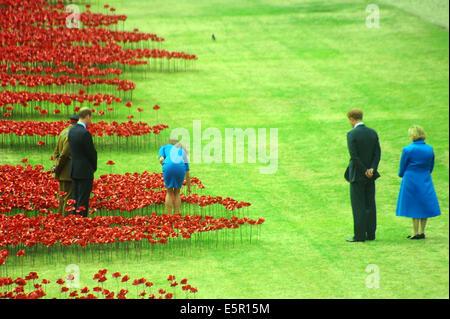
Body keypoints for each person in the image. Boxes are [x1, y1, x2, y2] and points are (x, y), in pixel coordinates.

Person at [396, 125, 441, 239]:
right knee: (424, 203)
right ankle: (422, 231)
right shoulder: (429, 148)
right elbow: (431, 165)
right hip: (424, 177)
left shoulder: (408, 149)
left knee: (414, 204)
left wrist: (401, 174)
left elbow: (403, 165)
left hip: (411, 178)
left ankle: (415, 232)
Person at [345, 109, 381, 242]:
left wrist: (364, 169)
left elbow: (354, 156)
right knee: (370, 204)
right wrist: (372, 169)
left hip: (358, 175)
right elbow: (377, 153)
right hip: (371, 175)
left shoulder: (352, 134)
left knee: (358, 205)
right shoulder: (372, 133)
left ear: (352, 119)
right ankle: (371, 234)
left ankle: (359, 235)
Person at [68, 108, 97, 217]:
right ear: (87, 116)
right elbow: (91, 153)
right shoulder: (85, 133)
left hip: (74, 169)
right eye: (91, 117)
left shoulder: (72, 130)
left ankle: (74, 219)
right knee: (83, 199)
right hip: (85, 170)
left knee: (75, 198)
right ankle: (81, 222)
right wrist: (93, 167)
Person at [52, 114, 78, 216]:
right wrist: (58, 167)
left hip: (62, 170)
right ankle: (66, 222)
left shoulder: (63, 132)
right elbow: (64, 154)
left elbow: (56, 153)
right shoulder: (72, 135)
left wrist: (55, 165)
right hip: (68, 171)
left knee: (62, 197)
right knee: (68, 198)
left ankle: (60, 220)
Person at [158, 139, 191, 214]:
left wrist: (165, 164)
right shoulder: (182, 151)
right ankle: (176, 215)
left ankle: (169, 216)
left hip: (168, 166)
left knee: (169, 192)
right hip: (180, 167)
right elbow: (187, 171)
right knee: (177, 192)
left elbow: (161, 159)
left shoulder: (163, 147)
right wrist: (189, 187)